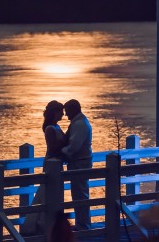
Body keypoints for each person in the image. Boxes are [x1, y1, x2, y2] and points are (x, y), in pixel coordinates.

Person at [23, 100, 66, 235]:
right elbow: (53, 148)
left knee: (56, 191)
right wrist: (66, 145)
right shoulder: (50, 129)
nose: (63, 115)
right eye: (61, 111)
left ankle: (52, 222)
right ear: (55, 112)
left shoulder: (57, 127)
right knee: (46, 191)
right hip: (51, 162)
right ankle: (38, 222)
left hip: (57, 163)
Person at [62, 99, 93, 231]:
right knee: (79, 194)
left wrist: (61, 152)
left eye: (67, 111)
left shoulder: (80, 124)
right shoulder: (81, 122)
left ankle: (83, 225)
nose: (66, 115)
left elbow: (74, 146)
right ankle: (82, 224)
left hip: (80, 164)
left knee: (80, 195)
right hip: (79, 163)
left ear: (74, 109)